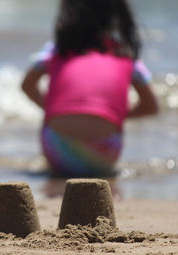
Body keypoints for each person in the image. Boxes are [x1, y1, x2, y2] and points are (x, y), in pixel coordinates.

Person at [21, 0, 159, 198]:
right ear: (116, 21)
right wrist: (113, 115)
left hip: (58, 148)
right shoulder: (126, 56)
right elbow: (151, 106)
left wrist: (52, 108)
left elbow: (27, 85)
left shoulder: (57, 50)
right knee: (100, 173)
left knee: (59, 169)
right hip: (104, 151)